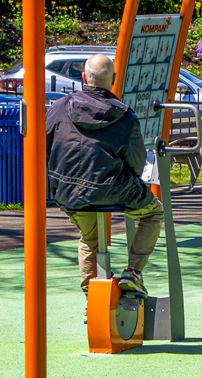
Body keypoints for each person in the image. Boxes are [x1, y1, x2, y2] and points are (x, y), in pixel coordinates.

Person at [47, 55, 160, 297]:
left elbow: (44, 146)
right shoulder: (125, 116)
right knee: (153, 213)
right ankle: (133, 272)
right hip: (116, 189)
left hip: (69, 191)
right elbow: (137, 163)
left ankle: (92, 295)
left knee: (90, 237)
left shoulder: (58, 108)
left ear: (84, 77)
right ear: (113, 80)